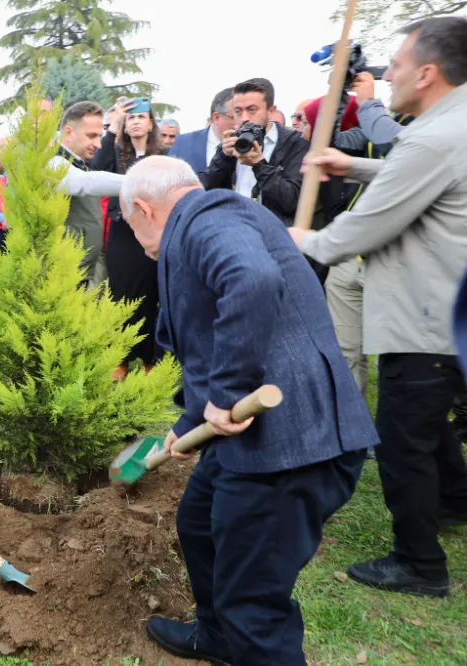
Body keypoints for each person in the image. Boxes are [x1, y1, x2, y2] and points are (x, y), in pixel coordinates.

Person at [122, 156, 374, 666]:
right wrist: (190, 424)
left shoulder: (208, 214)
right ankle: (216, 635)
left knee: (253, 602)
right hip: (253, 440)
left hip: (293, 445)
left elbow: (252, 279)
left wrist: (229, 388)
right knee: (197, 520)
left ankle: (244, 637)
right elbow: (207, 337)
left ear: (144, 209)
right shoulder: (209, 221)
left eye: (133, 230)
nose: (144, 248)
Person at [289, 16, 467, 598]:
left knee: (401, 439)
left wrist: (307, 244)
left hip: (422, 313)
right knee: (428, 423)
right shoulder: (451, 126)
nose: (384, 75)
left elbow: (368, 225)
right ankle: (453, 503)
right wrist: (356, 164)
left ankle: (420, 564)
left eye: (396, 64)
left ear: (428, 72)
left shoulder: (435, 136)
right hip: (443, 313)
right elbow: (414, 173)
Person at [92, 98, 165, 375]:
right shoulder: (115, 152)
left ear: (150, 123)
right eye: (130, 118)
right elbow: (96, 168)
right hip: (122, 233)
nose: (135, 121)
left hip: (152, 231)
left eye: (141, 117)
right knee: (120, 294)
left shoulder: (163, 155)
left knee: (150, 294)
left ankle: (149, 358)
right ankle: (119, 358)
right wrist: (112, 126)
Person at [199, 78, 309, 226]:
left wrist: (259, 165)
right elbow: (204, 190)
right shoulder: (231, 143)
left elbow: (292, 201)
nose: (244, 118)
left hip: (274, 236)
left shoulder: (294, 143)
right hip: (233, 232)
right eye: (238, 111)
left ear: (271, 111)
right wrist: (223, 157)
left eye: (252, 110)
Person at [50, 101, 126, 289]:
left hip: (83, 273)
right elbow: (84, 183)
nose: (98, 144)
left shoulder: (79, 162)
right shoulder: (53, 162)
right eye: (91, 136)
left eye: (99, 136)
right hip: (63, 277)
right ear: (68, 132)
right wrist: (140, 181)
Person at [168, 88, 235, 176]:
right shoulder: (183, 144)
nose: (243, 120)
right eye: (236, 116)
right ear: (216, 118)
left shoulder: (254, 146)